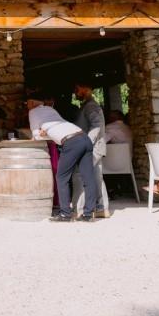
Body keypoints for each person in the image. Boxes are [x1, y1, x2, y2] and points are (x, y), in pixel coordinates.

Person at [27, 91, 99, 222]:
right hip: (84, 137)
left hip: (71, 142)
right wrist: (46, 133)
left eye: (26, 103)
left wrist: (42, 134)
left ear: (31, 102)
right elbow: (56, 128)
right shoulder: (50, 109)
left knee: (61, 177)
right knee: (88, 177)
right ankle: (88, 214)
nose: (26, 106)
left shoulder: (32, 112)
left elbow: (36, 136)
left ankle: (65, 214)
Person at [72, 81, 109, 219]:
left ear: (86, 88)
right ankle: (102, 208)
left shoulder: (91, 106)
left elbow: (96, 125)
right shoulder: (89, 105)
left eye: (77, 89)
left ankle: (79, 209)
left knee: (79, 175)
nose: (75, 92)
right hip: (96, 147)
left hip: (91, 148)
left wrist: (86, 143)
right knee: (96, 177)